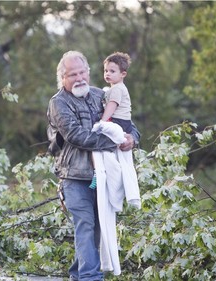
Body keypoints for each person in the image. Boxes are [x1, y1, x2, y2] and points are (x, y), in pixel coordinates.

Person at [46, 50, 140, 281]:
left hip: (102, 175)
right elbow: (77, 136)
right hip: (74, 177)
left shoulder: (102, 95)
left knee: (98, 230)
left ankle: (79, 275)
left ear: (88, 72)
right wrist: (115, 141)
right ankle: (91, 278)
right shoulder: (58, 103)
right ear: (63, 79)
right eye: (72, 75)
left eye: (81, 72)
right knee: (86, 226)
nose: (78, 78)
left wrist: (132, 139)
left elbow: (127, 123)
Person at [89, 52, 133, 189]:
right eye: (106, 70)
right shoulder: (114, 88)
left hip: (119, 121)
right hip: (124, 122)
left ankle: (98, 172)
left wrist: (102, 122)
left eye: (112, 71)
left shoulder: (117, 89)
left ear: (123, 74)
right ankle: (102, 173)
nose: (107, 74)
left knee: (98, 146)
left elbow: (112, 106)